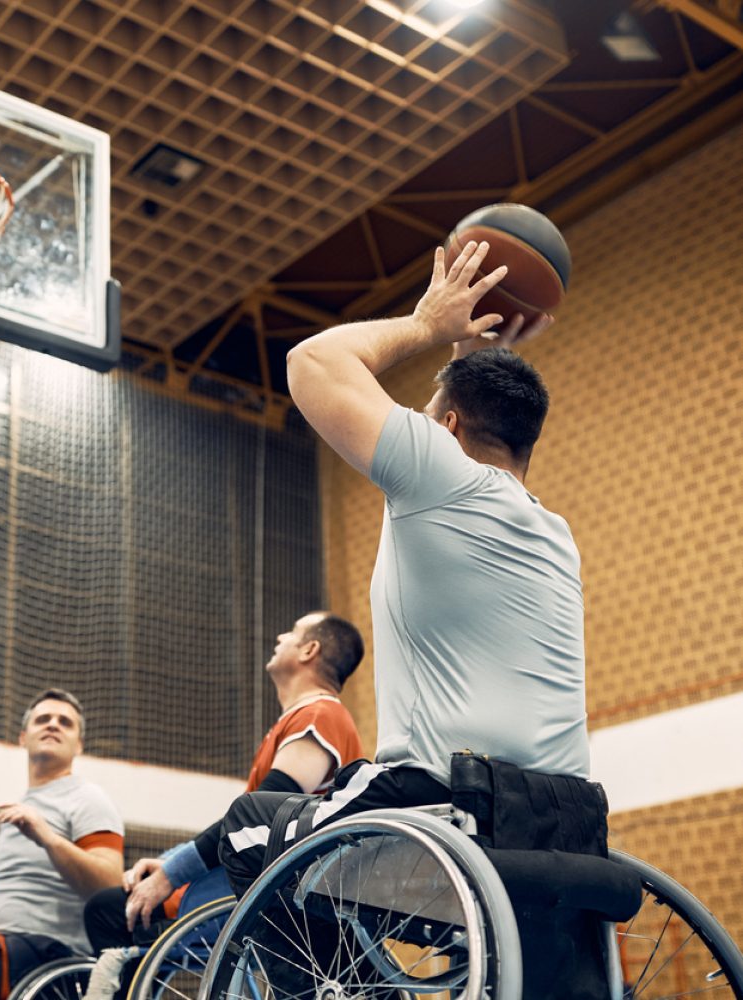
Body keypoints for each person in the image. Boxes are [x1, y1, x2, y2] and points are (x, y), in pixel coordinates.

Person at [217, 240, 589, 896]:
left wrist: (428, 325)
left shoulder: (440, 475)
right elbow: (465, 424)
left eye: (421, 418)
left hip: (439, 802)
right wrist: (474, 357)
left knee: (247, 828)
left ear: (444, 428)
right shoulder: (554, 536)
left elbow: (311, 362)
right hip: (557, 819)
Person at [85, 612, 366, 953]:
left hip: (273, 890)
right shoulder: (304, 717)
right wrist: (171, 861)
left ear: (309, 650)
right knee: (112, 907)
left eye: (291, 632)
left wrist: (171, 874)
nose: (279, 638)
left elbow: (258, 822)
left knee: (107, 912)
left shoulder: (321, 714)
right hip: (253, 881)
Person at [0, 689, 123, 1000]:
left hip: (55, 956)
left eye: (65, 723)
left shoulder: (88, 798)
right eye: (43, 719)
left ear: (79, 745)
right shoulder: (20, 806)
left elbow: (109, 887)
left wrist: (47, 837)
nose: (53, 725)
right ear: (22, 737)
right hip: (9, 947)